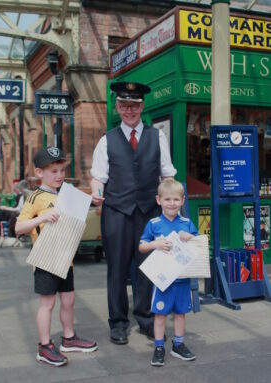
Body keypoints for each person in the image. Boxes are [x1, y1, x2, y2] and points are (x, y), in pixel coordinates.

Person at [91, 81, 177, 345]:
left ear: (142, 106)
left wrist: (174, 208)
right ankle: (118, 323)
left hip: (148, 212)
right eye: (124, 105)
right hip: (116, 212)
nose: (129, 110)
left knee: (147, 268)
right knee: (117, 269)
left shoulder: (156, 136)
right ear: (117, 107)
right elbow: (98, 177)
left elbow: (167, 174)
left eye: (135, 105)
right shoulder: (106, 140)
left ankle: (146, 319)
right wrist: (96, 193)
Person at [15, 146, 97, 367]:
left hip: (65, 258)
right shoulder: (35, 197)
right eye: (53, 171)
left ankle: (68, 339)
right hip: (46, 259)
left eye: (62, 170)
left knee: (68, 300)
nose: (59, 175)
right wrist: (41, 219)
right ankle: (44, 346)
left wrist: (93, 202)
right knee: (47, 304)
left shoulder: (67, 194)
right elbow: (19, 227)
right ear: (40, 172)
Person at [139, 179, 197, 367]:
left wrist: (190, 238)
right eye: (167, 199)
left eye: (175, 199)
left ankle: (178, 344)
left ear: (182, 200)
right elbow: (142, 246)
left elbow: (198, 244)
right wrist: (154, 244)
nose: (171, 203)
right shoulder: (154, 224)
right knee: (160, 314)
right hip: (162, 281)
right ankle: (158, 347)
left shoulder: (187, 223)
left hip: (182, 279)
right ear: (159, 200)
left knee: (181, 313)